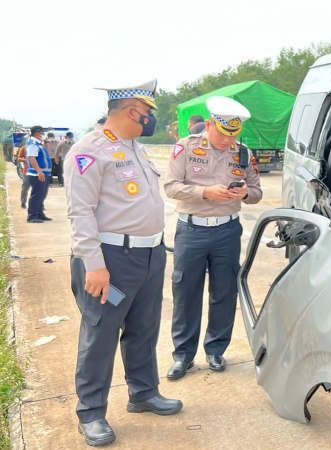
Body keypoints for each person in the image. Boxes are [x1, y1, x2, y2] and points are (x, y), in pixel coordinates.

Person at [64, 80, 182, 447]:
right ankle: (91, 412)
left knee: (144, 329)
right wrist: (94, 265)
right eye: (148, 114)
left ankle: (143, 392)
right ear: (133, 111)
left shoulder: (134, 148)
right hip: (111, 261)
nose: (150, 121)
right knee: (101, 334)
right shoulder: (88, 151)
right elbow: (80, 212)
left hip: (149, 255)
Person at [164, 96, 261, 379]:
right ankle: (183, 355)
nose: (225, 142)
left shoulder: (243, 153)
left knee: (224, 292)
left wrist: (245, 194)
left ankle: (216, 350)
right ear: (209, 124)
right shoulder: (186, 147)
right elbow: (170, 187)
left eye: (232, 136)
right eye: (221, 134)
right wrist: (205, 192)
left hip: (227, 231)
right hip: (191, 230)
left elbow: (256, 193)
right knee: (186, 293)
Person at [25, 126, 52, 223]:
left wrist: (46, 144)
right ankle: (32, 216)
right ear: (37, 133)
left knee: (42, 195)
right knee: (37, 195)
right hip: (37, 174)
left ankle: (39, 214)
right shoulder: (33, 144)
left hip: (44, 173)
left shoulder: (39, 144)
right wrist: (39, 171)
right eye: (41, 133)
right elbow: (32, 158)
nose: (42, 135)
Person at [17, 141, 30, 209]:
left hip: (37, 172)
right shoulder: (24, 148)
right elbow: (19, 158)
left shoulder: (38, 148)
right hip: (27, 171)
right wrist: (25, 160)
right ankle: (23, 202)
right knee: (25, 188)